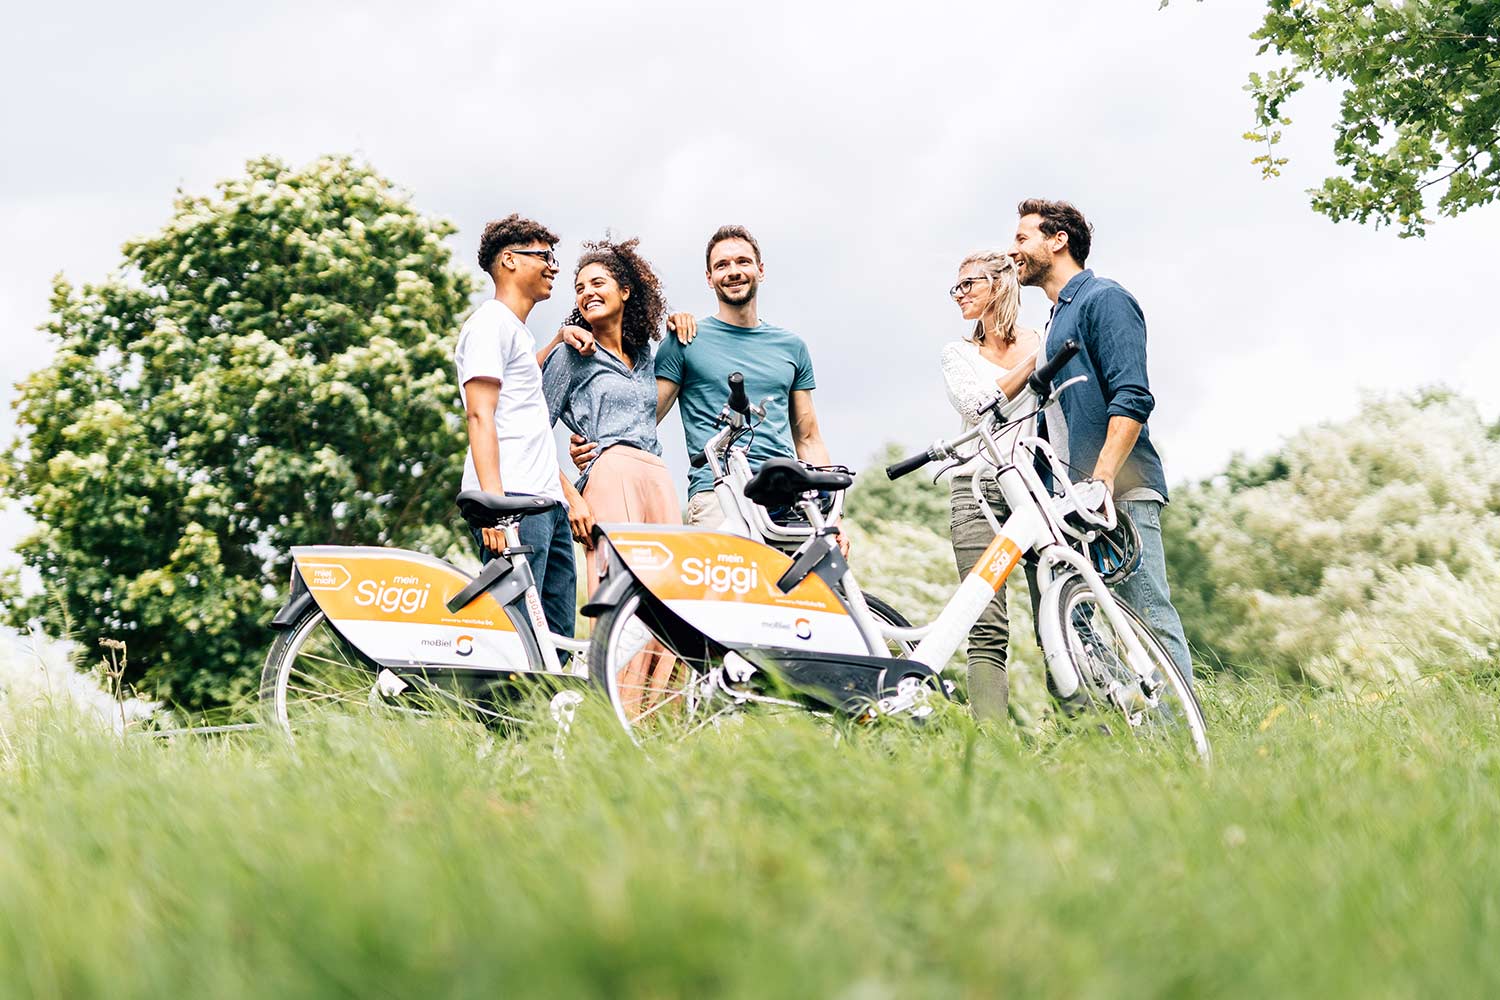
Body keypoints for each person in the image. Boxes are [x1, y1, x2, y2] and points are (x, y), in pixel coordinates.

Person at [1008, 198, 1193, 682]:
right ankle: (1129, 737)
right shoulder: (1054, 321)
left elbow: (1132, 395)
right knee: (1077, 628)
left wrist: (1104, 478)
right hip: (1071, 502)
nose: (1014, 251)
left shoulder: (1103, 299)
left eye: (1022, 238)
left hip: (1117, 492)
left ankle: (1185, 746)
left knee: (1148, 619)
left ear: (1058, 240)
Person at [569, 225, 841, 535]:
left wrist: (834, 517)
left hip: (787, 494)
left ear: (760, 270)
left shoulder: (793, 347)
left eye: (743, 261)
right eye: (722, 265)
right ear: (709, 278)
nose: (733, 271)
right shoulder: (685, 340)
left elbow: (809, 439)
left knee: (803, 584)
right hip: (717, 493)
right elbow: (640, 420)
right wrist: (595, 447)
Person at [454, 213, 585, 640]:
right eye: (544, 256)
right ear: (509, 260)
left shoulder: (517, 334)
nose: (554, 267)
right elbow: (480, 414)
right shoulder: (489, 324)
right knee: (516, 636)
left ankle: (544, 711)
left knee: (555, 641)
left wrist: (560, 339)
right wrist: (493, 508)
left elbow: (524, 415)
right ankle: (489, 710)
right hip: (512, 505)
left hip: (545, 504)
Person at [540, 238, 684, 592]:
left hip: (657, 475)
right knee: (619, 598)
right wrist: (571, 498)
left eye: (597, 283)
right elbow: (532, 432)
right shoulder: (571, 355)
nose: (586, 292)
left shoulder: (646, 356)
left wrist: (683, 322)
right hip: (609, 474)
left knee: (672, 597)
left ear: (625, 291)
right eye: (579, 288)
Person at [940, 251, 1040, 722]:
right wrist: (1040, 362)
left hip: (1036, 491)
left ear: (1000, 282)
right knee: (985, 624)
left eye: (967, 284)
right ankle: (995, 747)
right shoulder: (957, 353)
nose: (958, 294)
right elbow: (980, 404)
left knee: (1062, 609)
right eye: (955, 287)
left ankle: (1087, 732)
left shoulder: (1041, 337)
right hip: (977, 493)